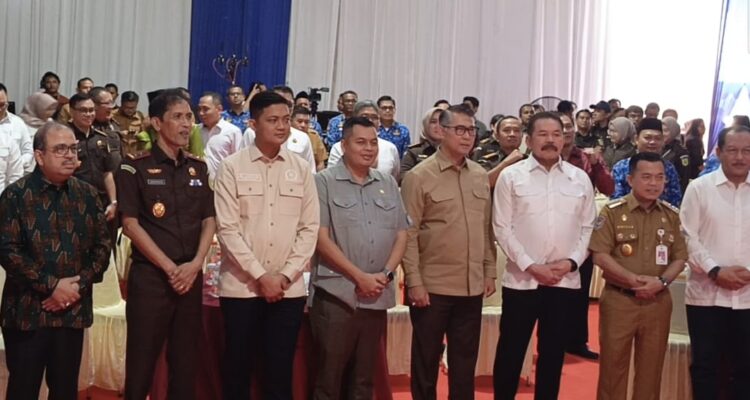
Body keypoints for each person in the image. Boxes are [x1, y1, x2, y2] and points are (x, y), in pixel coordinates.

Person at [213, 91, 319, 400]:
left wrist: (284, 276)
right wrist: (261, 276)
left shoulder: (301, 168)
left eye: (286, 120)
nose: (282, 127)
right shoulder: (232, 167)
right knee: (237, 370)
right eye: (273, 120)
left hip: (288, 289)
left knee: (279, 372)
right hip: (241, 288)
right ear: (253, 124)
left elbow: (309, 228)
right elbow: (227, 229)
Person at [117, 89, 216, 400]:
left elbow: (209, 220)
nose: (186, 124)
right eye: (178, 117)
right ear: (157, 123)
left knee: (185, 364)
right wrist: (172, 269)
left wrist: (195, 265)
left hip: (190, 276)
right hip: (152, 278)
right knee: (141, 363)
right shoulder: (134, 167)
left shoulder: (197, 167)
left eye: (189, 117)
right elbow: (130, 225)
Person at [0, 121, 111, 399]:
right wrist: (52, 286)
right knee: (23, 389)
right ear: (39, 156)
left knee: (65, 389)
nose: (70, 155)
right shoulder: (15, 195)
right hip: (27, 312)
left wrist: (74, 287)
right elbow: (8, 252)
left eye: (73, 148)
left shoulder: (87, 194)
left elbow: (102, 247)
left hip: (72, 311)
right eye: (60, 149)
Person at [493, 112, 597, 399]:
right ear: (528, 140)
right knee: (511, 352)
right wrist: (531, 266)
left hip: (564, 281)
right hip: (521, 281)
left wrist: (571, 262)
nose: (550, 140)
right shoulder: (511, 176)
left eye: (556, 134)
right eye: (543, 134)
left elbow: (589, 228)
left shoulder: (579, 179)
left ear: (564, 139)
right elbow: (502, 227)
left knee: (553, 355)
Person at [401, 104, 497, 400]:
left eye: (472, 130)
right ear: (441, 131)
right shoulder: (419, 176)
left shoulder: (479, 174)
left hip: (471, 285)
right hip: (432, 287)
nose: (468, 136)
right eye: (460, 130)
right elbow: (408, 234)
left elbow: (486, 228)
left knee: (464, 362)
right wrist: (414, 281)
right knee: (426, 361)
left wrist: (489, 270)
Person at [310, 116, 409, 399]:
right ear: (344, 145)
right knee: (329, 379)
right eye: (361, 142)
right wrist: (359, 277)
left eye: (373, 143)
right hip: (337, 294)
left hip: (377, 293)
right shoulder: (323, 182)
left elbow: (402, 234)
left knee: (364, 380)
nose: (368, 149)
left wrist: (385, 275)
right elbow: (320, 238)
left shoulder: (387, 182)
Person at [589, 151, 688, 400]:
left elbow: (680, 257)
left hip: (657, 301)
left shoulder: (671, 215)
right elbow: (600, 255)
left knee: (651, 370)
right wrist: (632, 281)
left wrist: (661, 282)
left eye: (659, 177)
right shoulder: (612, 212)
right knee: (613, 368)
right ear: (630, 179)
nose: (654, 183)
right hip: (620, 300)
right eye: (646, 177)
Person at [680, 126, 750, 400]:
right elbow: (687, 236)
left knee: (745, 368)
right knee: (706, 367)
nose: (740, 157)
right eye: (732, 150)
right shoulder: (699, 188)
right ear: (718, 152)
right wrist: (715, 270)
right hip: (706, 296)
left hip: (747, 297)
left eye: (746, 151)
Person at [67, 92, 120, 222]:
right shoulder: (65, 137)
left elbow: (107, 173)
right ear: (72, 111)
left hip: (101, 202)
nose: (88, 114)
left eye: (91, 110)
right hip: (73, 200)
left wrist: (113, 202)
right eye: (83, 110)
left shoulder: (101, 137)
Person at [611, 117, 683, 206]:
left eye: (657, 138)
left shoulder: (669, 168)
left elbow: (675, 200)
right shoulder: (621, 167)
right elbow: (616, 200)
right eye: (647, 138)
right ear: (636, 139)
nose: (652, 142)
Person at [327, 101, 400, 180]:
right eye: (365, 117)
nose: (370, 121)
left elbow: (394, 178)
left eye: (374, 117)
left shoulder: (390, 148)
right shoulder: (339, 147)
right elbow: (331, 177)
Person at [197, 92, 243, 181]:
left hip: (223, 182)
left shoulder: (232, 131)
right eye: (199, 109)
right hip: (199, 182)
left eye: (205, 109)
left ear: (219, 109)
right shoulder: (196, 131)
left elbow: (239, 161)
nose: (201, 113)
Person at [471, 115, 525, 188]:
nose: (512, 134)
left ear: (522, 135)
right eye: (506, 130)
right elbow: (481, 183)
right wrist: (506, 162)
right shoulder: (488, 160)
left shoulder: (528, 160)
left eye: (517, 131)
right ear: (497, 136)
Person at [400, 107, 443, 181]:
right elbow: (403, 178)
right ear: (426, 125)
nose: (438, 125)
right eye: (433, 122)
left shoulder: (454, 152)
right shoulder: (414, 152)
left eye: (442, 122)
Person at [0, 83, 35, 173]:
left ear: (7, 102)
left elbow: (28, 151)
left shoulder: (18, 123)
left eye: (2, 104)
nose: (0, 109)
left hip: (14, 177)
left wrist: (15, 165)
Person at [111, 91, 150, 157]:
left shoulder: (140, 117)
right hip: (118, 155)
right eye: (127, 107)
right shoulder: (112, 116)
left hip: (134, 156)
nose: (130, 110)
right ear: (121, 103)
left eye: (133, 108)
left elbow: (145, 138)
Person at [290, 105, 327, 171]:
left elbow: (320, 163)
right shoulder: (284, 136)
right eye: (299, 121)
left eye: (306, 122)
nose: (303, 125)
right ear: (291, 121)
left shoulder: (314, 137)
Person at [661, 116, 690, 193]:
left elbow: (684, 178)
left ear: (673, 131)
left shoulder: (680, 152)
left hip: (674, 192)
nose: (662, 134)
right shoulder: (659, 148)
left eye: (666, 131)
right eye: (660, 130)